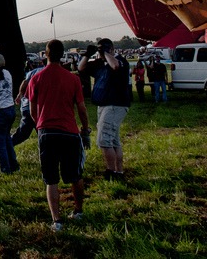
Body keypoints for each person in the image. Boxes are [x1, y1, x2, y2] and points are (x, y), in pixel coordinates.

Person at [29, 39, 91, 232]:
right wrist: (85, 128)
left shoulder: (36, 78)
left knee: (51, 178)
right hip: (70, 132)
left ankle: (57, 221)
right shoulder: (72, 78)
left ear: (45, 54)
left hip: (47, 131)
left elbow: (32, 110)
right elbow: (81, 108)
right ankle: (78, 210)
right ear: (63, 55)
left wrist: (40, 125)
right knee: (75, 174)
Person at [78, 38, 131, 181]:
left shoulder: (121, 61)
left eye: (104, 49)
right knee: (113, 140)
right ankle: (119, 172)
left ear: (112, 49)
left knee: (103, 139)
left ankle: (111, 171)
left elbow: (115, 66)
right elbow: (81, 68)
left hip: (115, 104)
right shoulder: (100, 63)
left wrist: (107, 53)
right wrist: (88, 55)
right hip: (104, 105)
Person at [12, 58, 43, 147]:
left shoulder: (31, 73)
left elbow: (24, 83)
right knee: (42, 131)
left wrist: (19, 95)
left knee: (23, 134)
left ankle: (9, 144)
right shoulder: (42, 71)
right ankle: (8, 144)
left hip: (26, 107)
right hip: (36, 107)